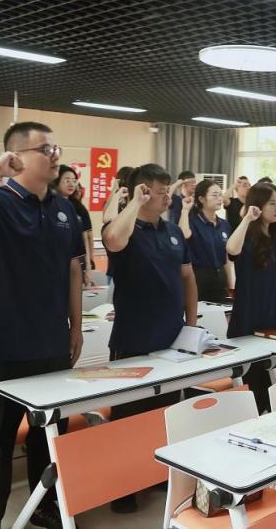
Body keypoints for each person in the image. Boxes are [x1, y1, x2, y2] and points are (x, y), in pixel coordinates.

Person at [0, 121, 86, 529]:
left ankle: (45, 507)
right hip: (3, 344)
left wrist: (75, 328)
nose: (55, 156)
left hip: (52, 343)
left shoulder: (63, 208)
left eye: (56, 148)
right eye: (46, 149)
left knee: (48, 434)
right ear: (17, 157)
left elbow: (73, 270)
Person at [101, 163, 197, 513]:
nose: (166, 196)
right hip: (133, 338)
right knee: (128, 416)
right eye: (158, 191)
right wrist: (133, 203)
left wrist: (191, 325)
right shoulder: (124, 227)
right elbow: (113, 239)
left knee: (163, 413)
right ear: (142, 192)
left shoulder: (172, 232)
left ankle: (154, 473)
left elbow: (188, 278)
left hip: (171, 338)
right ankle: (122, 488)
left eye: (167, 189)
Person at [225, 183, 276, 412]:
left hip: (272, 319)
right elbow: (231, 249)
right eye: (272, 204)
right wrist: (247, 218)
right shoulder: (246, 235)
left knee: (271, 389)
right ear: (258, 206)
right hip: (248, 320)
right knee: (255, 389)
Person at [177, 179, 233, 302]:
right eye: (214, 195)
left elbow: (227, 257)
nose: (219, 198)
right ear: (201, 199)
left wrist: (231, 284)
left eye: (220, 194)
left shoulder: (224, 224)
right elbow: (183, 235)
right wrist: (185, 210)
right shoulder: (193, 222)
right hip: (199, 278)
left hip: (220, 277)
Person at [53, 166, 95, 287]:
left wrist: (88, 266)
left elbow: (85, 238)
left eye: (74, 181)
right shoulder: (49, 205)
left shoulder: (78, 208)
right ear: (56, 181)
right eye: (67, 180)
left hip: (76, 262)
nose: (71, 184)